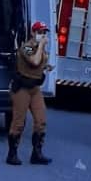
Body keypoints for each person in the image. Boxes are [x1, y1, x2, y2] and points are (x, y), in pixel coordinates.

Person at [6, 21, 53, 166]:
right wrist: (41, 46)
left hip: (34, 88)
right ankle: (12, 154)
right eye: (40, 32)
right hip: (22, 88)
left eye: (44, 32)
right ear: (33, 33)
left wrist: (46, 66)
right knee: (19, 122)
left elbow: (40, 63)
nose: (43, 35)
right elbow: (34, 61)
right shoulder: (26, 47)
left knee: (41, 120)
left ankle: (37, 153)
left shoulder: (41, 49)